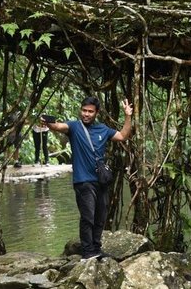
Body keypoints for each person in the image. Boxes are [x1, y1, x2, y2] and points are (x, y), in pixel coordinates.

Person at [45, 96, 134, 261]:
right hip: (83, 181)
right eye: (84, 110)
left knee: (100, 216)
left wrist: (128, 115)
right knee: (88, 216)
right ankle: (87, 252)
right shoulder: (74, 127)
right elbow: (57, 126)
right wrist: (47, 121)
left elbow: (123, 136)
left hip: (100, 181)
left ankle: (96, 249)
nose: (86, 114)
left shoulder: (102, 129)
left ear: (96, 113)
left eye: (90, 111)